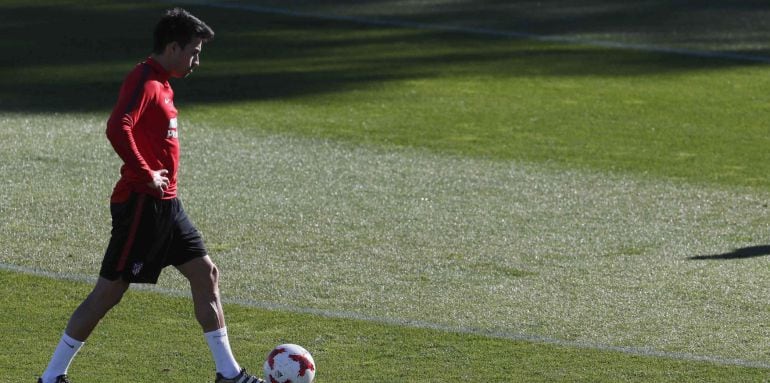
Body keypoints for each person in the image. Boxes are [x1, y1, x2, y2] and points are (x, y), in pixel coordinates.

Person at [38, 8, 263, 383]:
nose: (196, 61)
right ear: (173, 47)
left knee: (206, 274)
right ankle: (50, 377)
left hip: (168, 205)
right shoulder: (144, 79)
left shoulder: (163, 83)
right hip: (142, 204)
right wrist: (146, 173)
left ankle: (229, 373)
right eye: (193, 51)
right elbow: (117, 126)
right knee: (108, 292)